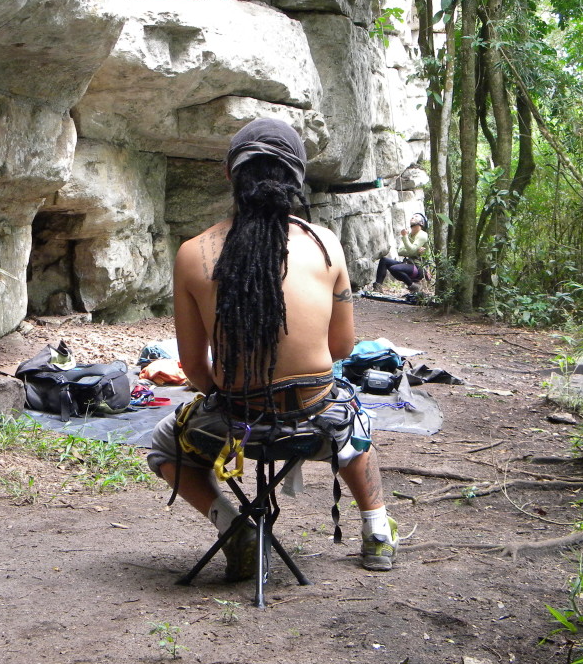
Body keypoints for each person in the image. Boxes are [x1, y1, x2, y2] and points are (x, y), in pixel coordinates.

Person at [147, 118, 399, 581]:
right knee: (354, 418)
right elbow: (341, 347)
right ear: (297, 179)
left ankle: (237, 529)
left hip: (234, 426)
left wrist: (229, 388)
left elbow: (195, 370)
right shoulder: (325, 245)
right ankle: (377, 530)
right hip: (316, 422)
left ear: (230, 174)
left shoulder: (193, 253)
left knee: (162, 444)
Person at [372, 212, 429, 293]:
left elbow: (411, 250)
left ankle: (413, 286)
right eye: (412, 216)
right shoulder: (409, 235)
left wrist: (405, 238)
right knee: (384, 260)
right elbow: (400, 251)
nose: (412, 217)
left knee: (393, 268)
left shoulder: (422, 235)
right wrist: (416, 252)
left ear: (421, 223)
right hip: (409, 264)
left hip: (418, 267)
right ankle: (378, 287)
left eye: (416, 217)